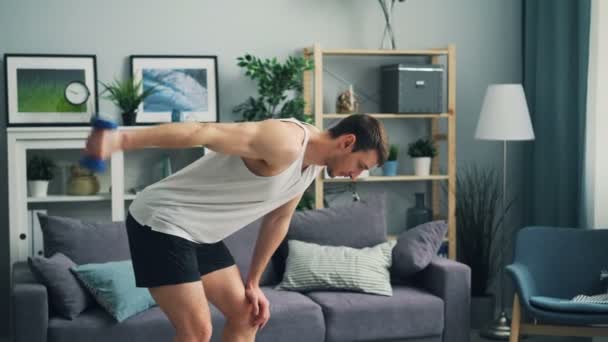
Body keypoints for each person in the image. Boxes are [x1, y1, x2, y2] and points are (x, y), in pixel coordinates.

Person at [84, 114, 388, 342]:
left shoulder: (313, 165)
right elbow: (204, 132)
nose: (356, 176)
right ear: (347, 142)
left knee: (247, 315)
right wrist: (120, 140)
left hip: (201, 233)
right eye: (360, 165)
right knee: (196, 332)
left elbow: (278, 220)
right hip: (163, 219)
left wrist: (253, 283)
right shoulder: (284, 141)